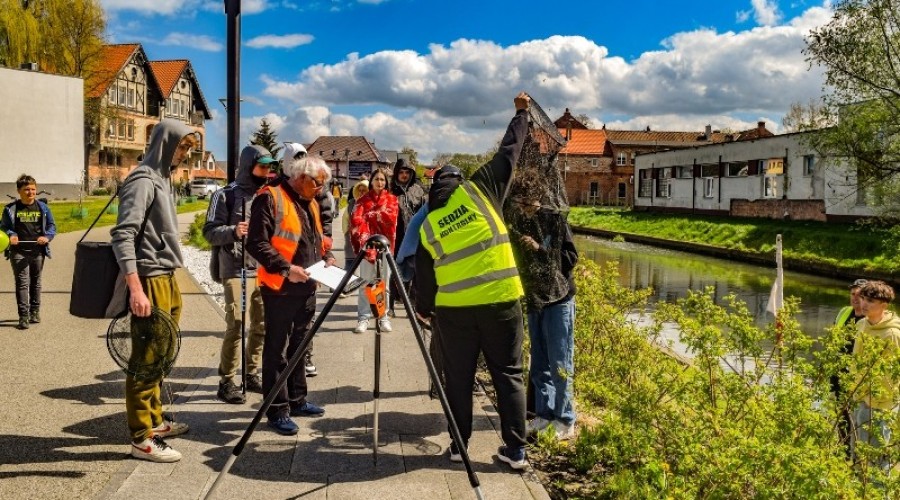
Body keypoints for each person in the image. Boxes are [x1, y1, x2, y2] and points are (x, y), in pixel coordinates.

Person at [415, 91, 531, 470]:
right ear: (459, 181)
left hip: (454, 314)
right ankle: (515, 452)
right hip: (501, 304)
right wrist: (521, 113)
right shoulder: (480, 190)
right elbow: (509, 152)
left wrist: (424, 312)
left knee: (459, 381)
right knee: (509, 376)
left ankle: (458, 446)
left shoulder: (429, 224)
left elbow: (424, 280)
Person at [111, 119, 196, 463]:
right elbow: (123, 234)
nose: (186, 153)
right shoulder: (142, 181)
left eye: (190, 148)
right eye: (182, 146)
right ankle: (141, 437)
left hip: (167, 277)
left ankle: (156, 421)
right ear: (165, 143)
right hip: (149, 280)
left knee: (162, 356)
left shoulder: (162, 179)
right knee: (145, 361)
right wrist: (136, 288)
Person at [246, 153, 331, 436]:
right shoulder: (269, 197)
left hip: (307, 286)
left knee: (300, 346)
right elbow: (256, 243)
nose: (321, 189)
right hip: (279, 288)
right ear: (302, 177)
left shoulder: (311, 202)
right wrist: (286, 268)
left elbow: (313, 238)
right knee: (277, 351)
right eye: (318, 183)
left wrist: (325, 258)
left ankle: (297, 400)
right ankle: (277, 410)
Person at [203, 145, 275, 404]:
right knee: (236, 325)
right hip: (235, 269)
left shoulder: (268, 195)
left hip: (263, 270)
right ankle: (227, 381)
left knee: (262, 324)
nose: (267, 171)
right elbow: (209, 231)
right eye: (262, 166)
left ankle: (252, 373)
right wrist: (234, 231)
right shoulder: (225, 195)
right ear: (249, 165)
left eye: (269, 167)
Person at [510, 202, 578, 441]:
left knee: (560, 361)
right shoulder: (517, 223)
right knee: (538, 363)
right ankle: (544, 414)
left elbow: (570, 258)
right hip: (535, 299)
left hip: (559, 300)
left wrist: (539, 248)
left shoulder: (555, 220)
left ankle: (566, 418)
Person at [850, 280, 900, 472]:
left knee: (877, 458)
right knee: (858, 454)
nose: (863, 303)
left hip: (880, 404)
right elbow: (856, 361)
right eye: (863, 298)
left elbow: (892, 374)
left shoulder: (892, 334)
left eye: (870, 300)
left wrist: (875, 400)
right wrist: (855, 391)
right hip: (859, 396)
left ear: (884, 305)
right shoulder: (862, 324)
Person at [1, 174, 55, 330]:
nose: (30, 192)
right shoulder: (11, 209)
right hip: (18, 251)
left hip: (38, 251)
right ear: (19, 191)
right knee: (22, 283)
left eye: (33, 189)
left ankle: (35, 311)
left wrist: (47, 237)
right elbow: (3, 227)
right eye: (27, 189)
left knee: (36, 282)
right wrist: (11, 235)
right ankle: (23, 316)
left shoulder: (43, 208)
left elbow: (52, 227)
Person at [350, 168, 398, 333]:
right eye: (376, 179)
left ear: (386, 182)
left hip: (385, 247)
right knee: (365, 283)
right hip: (367, 246)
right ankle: (363, 318)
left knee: (384, 284)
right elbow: (356, 219)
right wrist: (377, 215)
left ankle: (383, 316)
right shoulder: (362, 200)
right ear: (371, 181)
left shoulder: (392, 199)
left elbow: (391, 218)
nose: (379, 182)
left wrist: (370, 216)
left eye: (382, 180)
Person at [831, 278, 867, 452]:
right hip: (839, 373)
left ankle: (857, 453)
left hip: (858, 376)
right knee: (842, 415)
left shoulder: (870, 319)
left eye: (859, 295)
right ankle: (844, 452)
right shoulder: (844, 312)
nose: (855, 298)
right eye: (852, 294)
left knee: (858, 417)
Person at [388, 158, 427, 316]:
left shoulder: (419, 190)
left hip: (414, 237)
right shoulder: (390, 191)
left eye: (407, 172)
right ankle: (390, 305)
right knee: (393, 271)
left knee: (416, 272)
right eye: (401, 172)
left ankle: (414, 306)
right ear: (396, 173)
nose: (404, 175)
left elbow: (425, 213)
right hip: (396, 237)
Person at [342, 179, 369, 271]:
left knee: (367, 271)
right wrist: (347, 234)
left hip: (367, 242)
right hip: (352, 242)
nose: (361, 192)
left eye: (364, 190)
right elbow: (345, 220)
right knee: (349, 270)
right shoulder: (352, 203)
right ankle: (344, 285)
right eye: (360, 190)